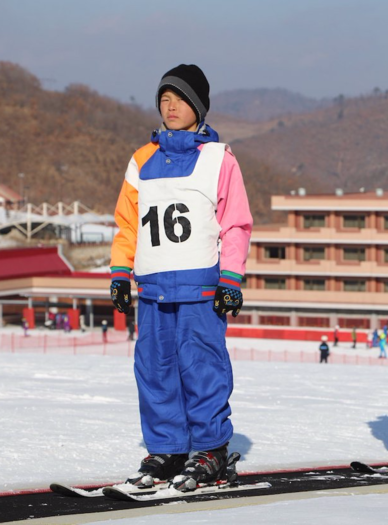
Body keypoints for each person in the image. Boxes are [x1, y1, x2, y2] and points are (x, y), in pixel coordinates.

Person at [109, 64, 253, 492]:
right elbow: (127, 224)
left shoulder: (219, 159)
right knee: (154, 369)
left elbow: (236, 224)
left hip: (200, 288)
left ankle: (211, 450)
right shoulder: (141, 160)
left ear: (199, 107)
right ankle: (168, 449)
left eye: (181, 100)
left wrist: (231, 278)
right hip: (152, 288)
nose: (171, 108)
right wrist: (120, 271)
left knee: (201, 367)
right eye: (164, 100)